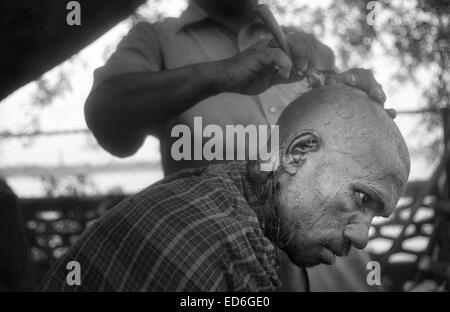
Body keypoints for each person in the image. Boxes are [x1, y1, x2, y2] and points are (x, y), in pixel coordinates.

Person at [84, 0, 393, 291]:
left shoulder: (306, 48)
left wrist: (366, 116)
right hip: (227, 278)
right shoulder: (155, 38)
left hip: (342, 274)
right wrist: (222, 74)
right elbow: (107, 119)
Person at [40, 85, 410, 291]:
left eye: (376, 215)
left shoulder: (217, 196)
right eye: (362, 197)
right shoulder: (224, 251)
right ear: (298, 154)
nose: (362, 238)